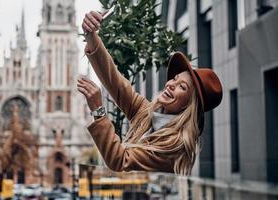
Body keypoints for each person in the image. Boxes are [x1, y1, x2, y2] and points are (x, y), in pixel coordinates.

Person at [77, 11, 223, 175]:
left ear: (188, 105)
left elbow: (120, 160)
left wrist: (98, 111)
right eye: (175, 79)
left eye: (182, 87)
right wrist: (91, 36)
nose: (171, 85)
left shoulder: (176, 145)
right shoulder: (149, 112)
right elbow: (116, 84)